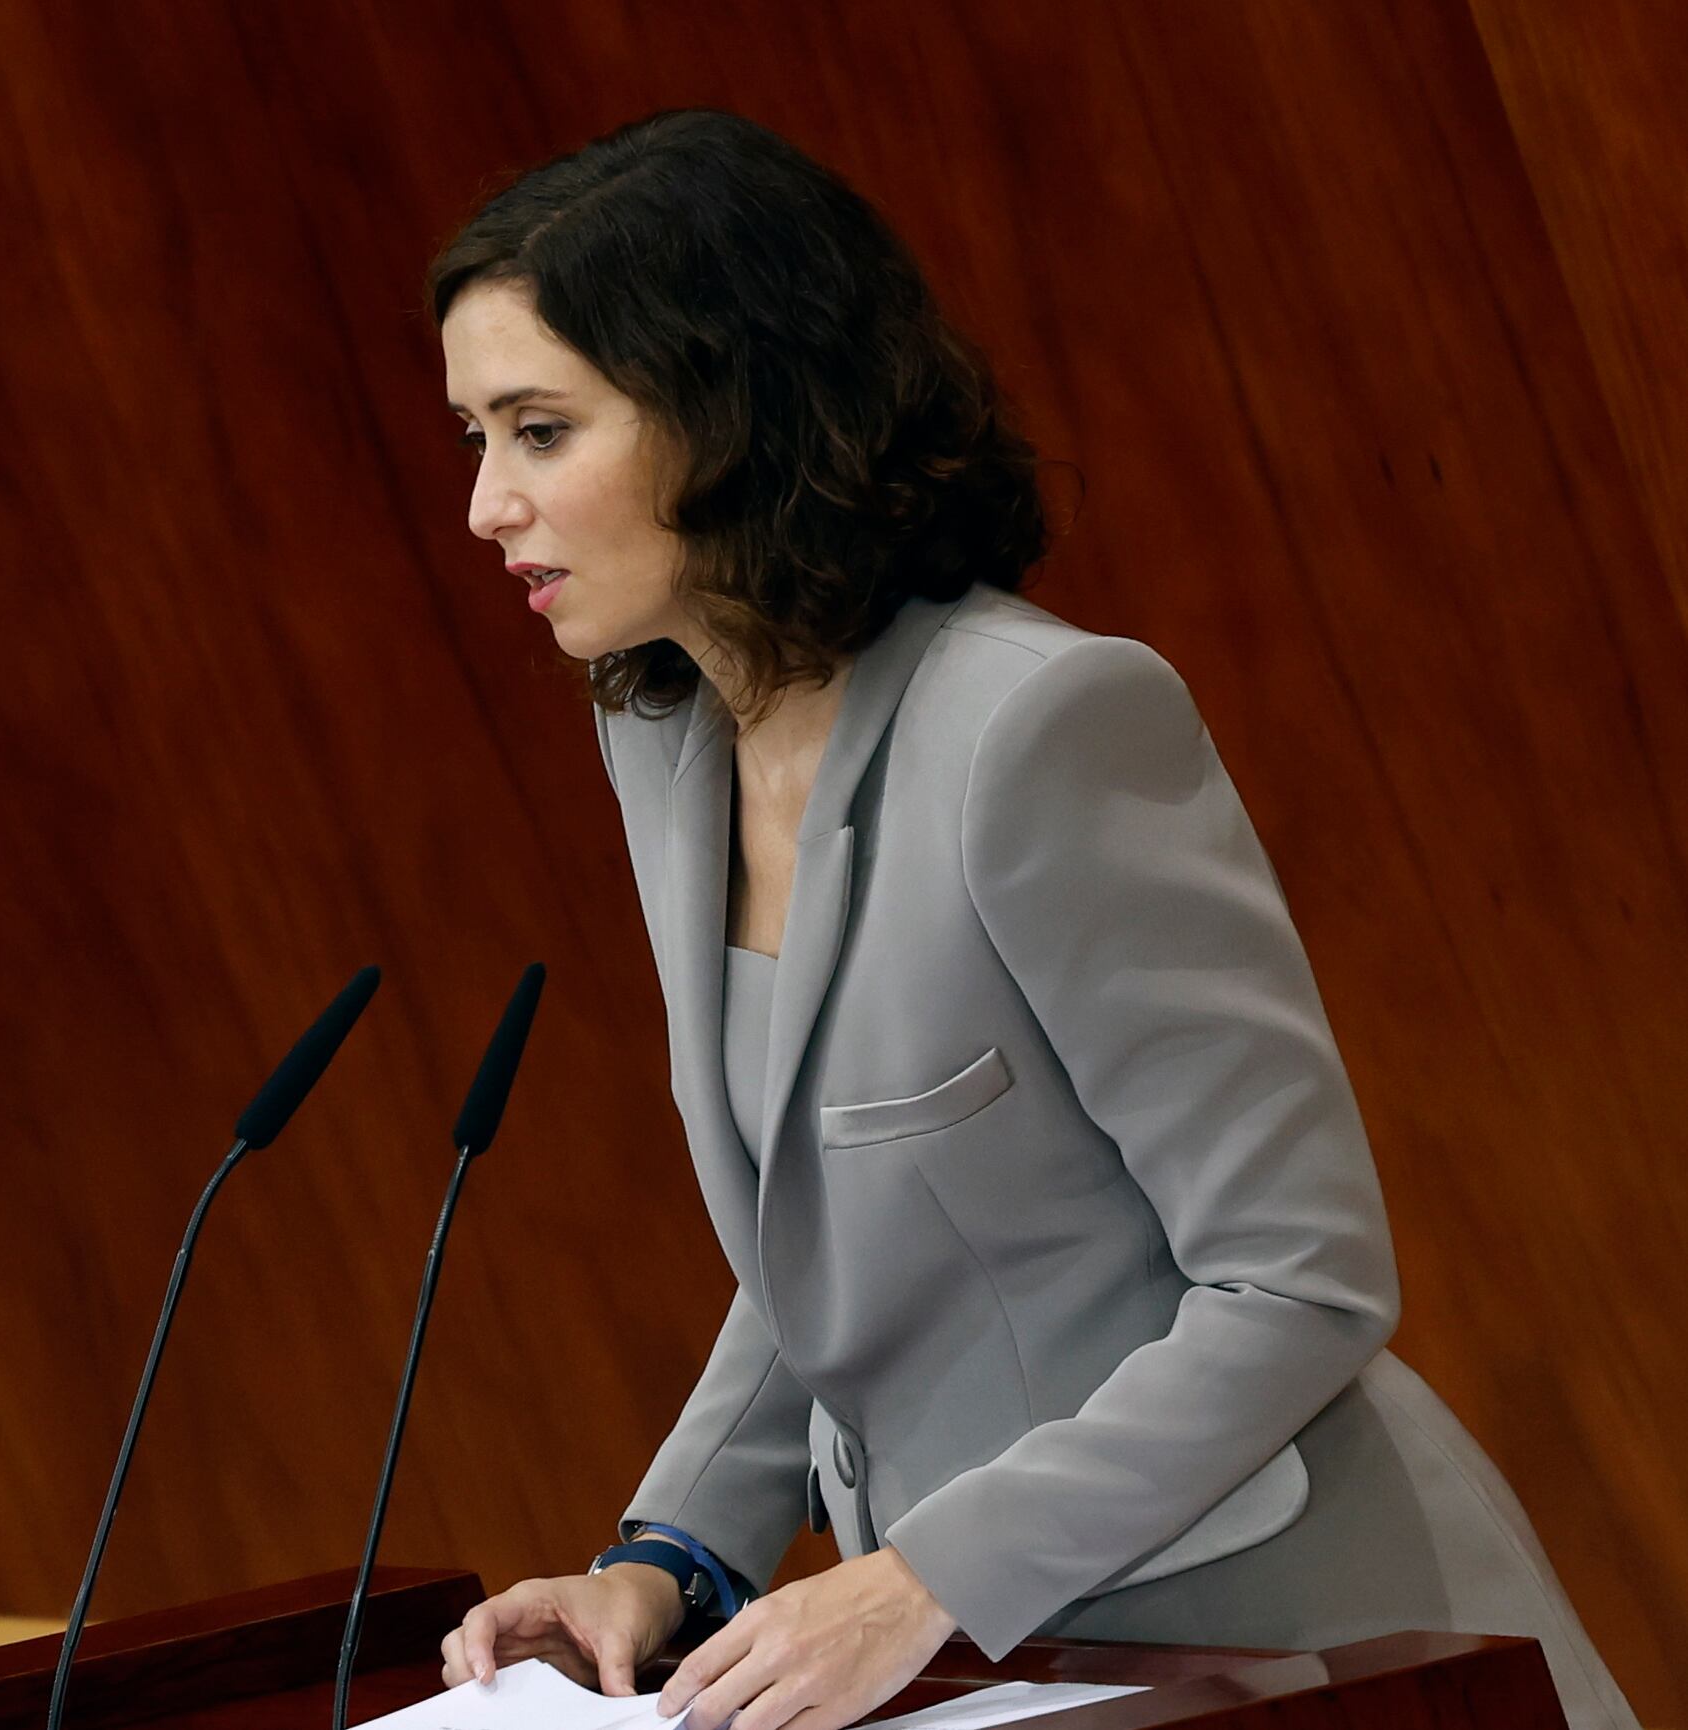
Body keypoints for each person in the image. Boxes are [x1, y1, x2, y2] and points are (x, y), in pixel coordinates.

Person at [425, 108, 1639, 1730]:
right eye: (473, 439)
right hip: (989, 1671)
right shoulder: (662, 738)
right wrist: (668, 1553)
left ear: (733, 413)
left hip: (1299, 1644)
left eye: (538, 430)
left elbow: (1300, 1280)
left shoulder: (1039, 726)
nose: (485, 507)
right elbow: (832, 1229)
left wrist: (920, 1577)